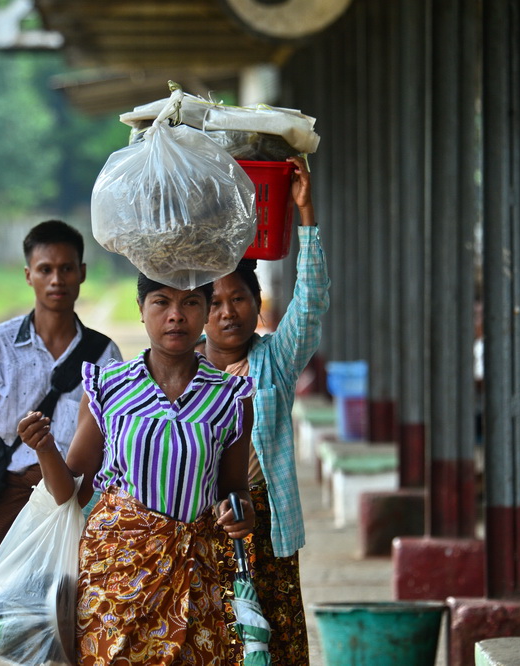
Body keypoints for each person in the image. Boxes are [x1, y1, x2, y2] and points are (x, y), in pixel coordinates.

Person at [17, 274, 256, 664]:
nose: (176, 316)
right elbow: (72, 493)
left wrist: (239, 513)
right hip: (113, 582)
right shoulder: (107, 387)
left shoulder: (230, 396)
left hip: (194, 581)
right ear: (141, 311)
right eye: (161, 302)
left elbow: (235, 488)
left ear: (206, 312)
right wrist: (44, 449)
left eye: (191, 303)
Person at [0, 219, 122, 562]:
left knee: (74, 600)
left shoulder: (104, 353)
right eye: (45, 269)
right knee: (15, 597)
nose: (56, 279)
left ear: (82, 272)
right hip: (11, 491)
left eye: (66, 268)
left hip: (79, 496)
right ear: (29, 275)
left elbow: (119, 435)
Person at [199, 154, 329, 664]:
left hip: (269, 525)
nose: (228, 311)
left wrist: (306, 214)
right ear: (196, 312)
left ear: (258, 304)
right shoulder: (183, 373)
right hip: (206, 523)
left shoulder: (273, 360)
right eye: (213, 302)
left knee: (276, 641)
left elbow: (312, 302)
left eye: (239, 298)